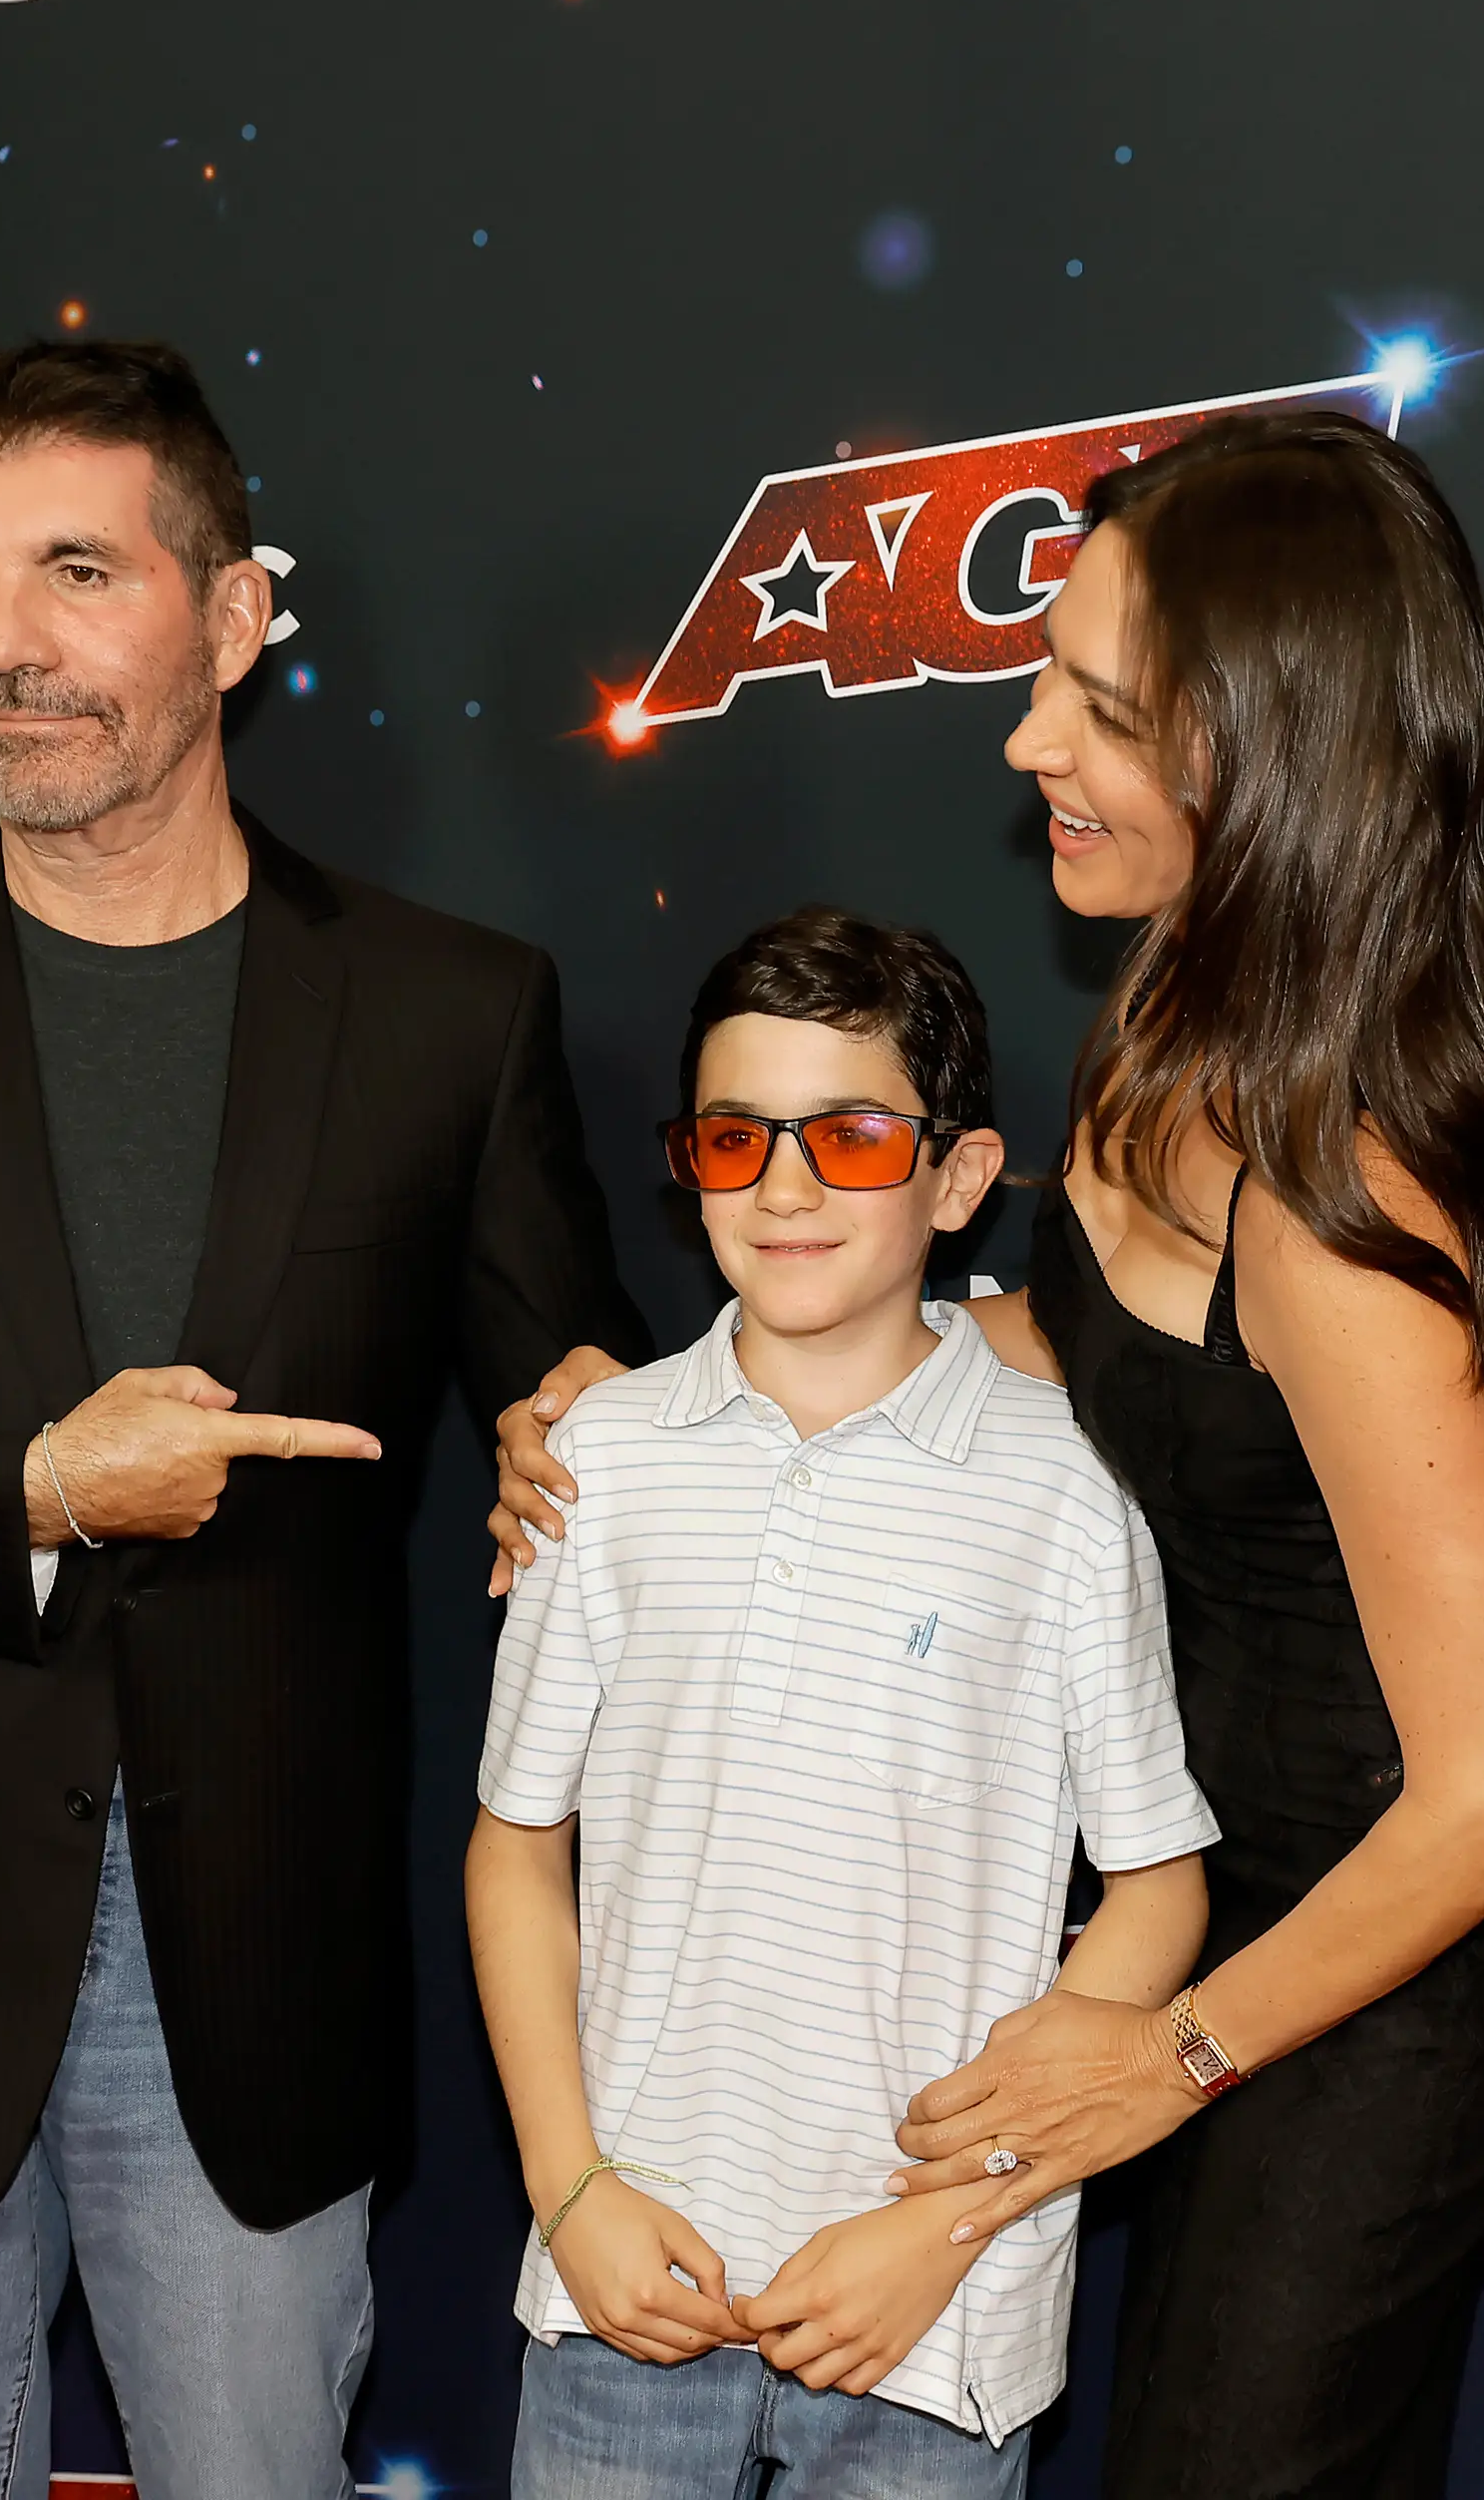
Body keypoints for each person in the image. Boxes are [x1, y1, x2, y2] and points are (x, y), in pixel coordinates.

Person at [489, 411, 1484, 2496]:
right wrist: (664, 1419)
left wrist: (1165, 2051)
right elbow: (1071, 1348)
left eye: (1101, 710)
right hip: (1215, 1878)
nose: (1026, 745)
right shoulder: (1181, 999)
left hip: (1413, 1934)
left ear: (1267, 754)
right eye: (1048, 679)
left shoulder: (1341, 1187)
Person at [0, 338, 649, 2500]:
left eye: (78, 569)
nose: (1, 644)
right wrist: (26, 1493)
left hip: (261, 1992)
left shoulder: (453, 1014)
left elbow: (582, 1392)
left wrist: (595, 1418)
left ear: (237, 613)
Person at [466, 910, 1216, 2499]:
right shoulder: (600, 1462)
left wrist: (942, 2228)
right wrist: (569, 2191)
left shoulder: (1069, 1493)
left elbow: (1154, 1892)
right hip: (625, 2294)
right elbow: (516, 1850)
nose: (784, 1186)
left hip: (930, 2317)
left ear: (957, 1177)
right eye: (737, 1138)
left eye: (853, 1136)